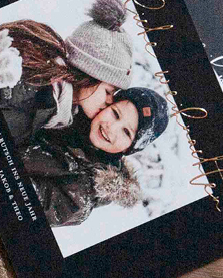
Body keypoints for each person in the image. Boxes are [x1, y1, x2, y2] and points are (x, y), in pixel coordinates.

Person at [0, 0, 134, 151]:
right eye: (108, 91)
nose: (109, 101)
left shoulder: (60, 107)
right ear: (90, 73)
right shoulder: (27, 85)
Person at [19, 84, 170, 228]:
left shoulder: (81, 193)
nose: (111, 127)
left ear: (129, 148)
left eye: (126, 132)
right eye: (115, 114)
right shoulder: (68, 109)